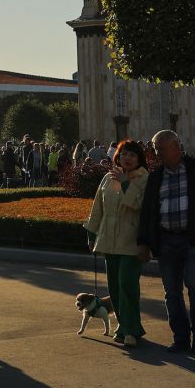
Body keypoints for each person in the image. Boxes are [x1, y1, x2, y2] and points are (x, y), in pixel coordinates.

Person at [138, 130, 195, 355]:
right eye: (155, 149)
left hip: (193, 238)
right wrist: (143, 242)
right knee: (171, 292)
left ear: (176, 146)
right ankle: (180, 338)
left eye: (161, 148)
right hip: (166, 240)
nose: (157, 153)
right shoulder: (156, 176)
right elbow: (147, 211)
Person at [84, 140, 150, 347]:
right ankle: (124, 327)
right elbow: (98, 207)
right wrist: (91, 233)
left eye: (132, 155)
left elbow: (139, 205)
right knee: (113, 287)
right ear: (117, 157)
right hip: (109, 239)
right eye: (124, 154)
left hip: (131, 241)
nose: (127, 158)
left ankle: (131, 329)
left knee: (126, 284)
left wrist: (125, 182)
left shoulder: (144, 179)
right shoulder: (107, 177)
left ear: (139, 159)